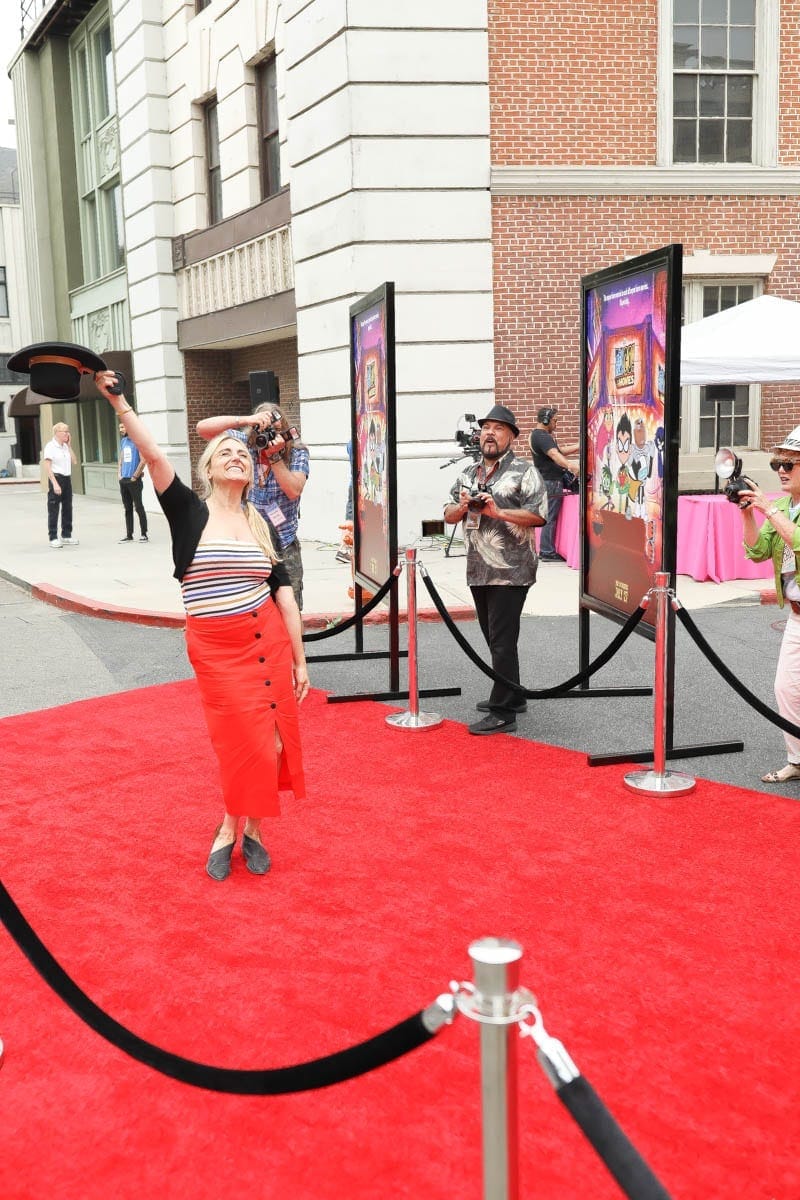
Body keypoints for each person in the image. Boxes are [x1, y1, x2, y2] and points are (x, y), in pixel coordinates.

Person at [95, 370, 309, 880]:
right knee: (238, 742)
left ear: (253, 472)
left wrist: (301, 659)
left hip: (270, 640)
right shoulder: (188, 511)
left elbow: (284, 594)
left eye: (242, 453)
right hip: (216, 648)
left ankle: (245, 828)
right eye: (224, 454)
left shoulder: (262, 523)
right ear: (209, 469)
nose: (235, 456)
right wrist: (119, 402)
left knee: (272, 740)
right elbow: (152, 454)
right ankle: (232, 827)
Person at [444, 403, 547, 735]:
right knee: (495, 638)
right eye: (486, 428)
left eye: (499, 428)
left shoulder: (524, 471)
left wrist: (497, 512)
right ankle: (513, 694)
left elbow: (538, 515)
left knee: (502, 640)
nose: (490, 433)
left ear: (511, 437)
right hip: (477, 568)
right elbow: (447, 514)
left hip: (511, 569)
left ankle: (503, 711)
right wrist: (460, 507)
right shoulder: (468, 473)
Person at [196, 406, 309, 610]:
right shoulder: (244, 445)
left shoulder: (296, 451)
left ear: (284, 431)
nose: (267, 436)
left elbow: (294, 490)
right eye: (262, 431)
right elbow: (203, 428)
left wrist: (274, 456)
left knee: (289, 606)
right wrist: (246, 419)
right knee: (248, 604)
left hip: (283, 541)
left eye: (273, 431)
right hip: (247, 540)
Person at [737, 425, 800, 784]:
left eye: (790, 464)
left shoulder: (776, 510)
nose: (781, 470)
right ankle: (797, 759)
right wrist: (747, 513)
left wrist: (767, 510)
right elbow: (758, 552)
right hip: (796, 617)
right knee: (786, 688)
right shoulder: (779, 506)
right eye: (779, 462)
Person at [529, 406, 580, 561]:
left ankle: (546, 550)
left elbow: (560, 451)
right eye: (555, 421)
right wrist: (571, 466)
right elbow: (554, 454)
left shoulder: (538, 435)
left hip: (549, 481)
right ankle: (547, 552)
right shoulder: (541, 436)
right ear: (546, 420)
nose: (556, 424)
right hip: (550, 481)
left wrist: (580, 445)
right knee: (550, 517)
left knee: (549, 515)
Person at [43, 421, 79, 548]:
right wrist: (55, 484)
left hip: (67, 479)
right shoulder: (50, 446)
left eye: (68, 431)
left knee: (68, 508)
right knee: (53, 509)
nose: (68, 434)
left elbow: (74, 461)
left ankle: (66, 535)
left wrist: (69, 446)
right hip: (56, 479)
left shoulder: (65, 447)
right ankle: (53, 537)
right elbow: (47, 467)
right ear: (57, 433)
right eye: (65, 431)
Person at [117, 420, 148, 542]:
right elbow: (121, 458)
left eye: (123, 427)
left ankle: (144, 534)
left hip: (134, 480)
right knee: (127, 508)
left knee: (139, 507)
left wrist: (135, 476)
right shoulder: (124, 441)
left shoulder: (138, 442)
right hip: (123, 480)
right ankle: (129, 535)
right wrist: (119, 473)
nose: (120, 430)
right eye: (120, 427)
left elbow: (143, 460)